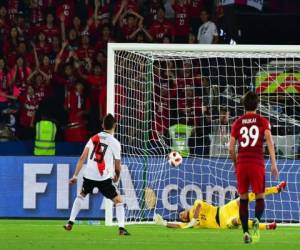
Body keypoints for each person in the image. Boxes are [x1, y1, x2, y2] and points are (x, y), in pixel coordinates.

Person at [63, 114, 130, 236]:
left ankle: (70, 223)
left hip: (89, 175)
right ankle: (121, 228)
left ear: (102, 125)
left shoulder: (93, 138)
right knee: (119, 200)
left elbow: (82, 157)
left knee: (82, 194)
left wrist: (75, 176)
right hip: (103, 177)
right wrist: (117, 178)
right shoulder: (115, 143)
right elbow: (117, 166)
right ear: (115, 126)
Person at [229, 91, 279, 243]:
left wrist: (235, 164)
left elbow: (231, 148)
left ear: (243, 105)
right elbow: (269, 140)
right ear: (257, 105)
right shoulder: (262, 121)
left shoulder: (237, 122)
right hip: (257, 162)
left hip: (242, 163)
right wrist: (274, 163)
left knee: (243, 199)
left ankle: (245, 231)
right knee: (259, 196)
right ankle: (256, 220)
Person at [155, 181, 286, 230]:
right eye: (181, 216)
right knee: (237, 222)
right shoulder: (190, 225)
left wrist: (194, 219)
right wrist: (165, 223)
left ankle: (276, 189)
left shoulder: (195, 206)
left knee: (245, 197)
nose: (182, 214)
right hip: (221, 223)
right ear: (184, 219)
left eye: (181, 212)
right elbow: (178, 226)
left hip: (224, 209)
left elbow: (200, 205)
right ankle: (267, 226)